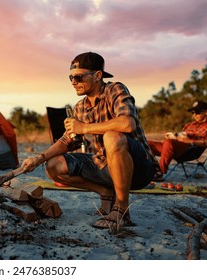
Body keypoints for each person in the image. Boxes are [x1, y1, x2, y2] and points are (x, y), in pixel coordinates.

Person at [21, 52, 158, 229]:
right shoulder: (80, 107)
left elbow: (127, 123)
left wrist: (84, 128)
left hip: (139, 168)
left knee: (113, 135)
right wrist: (39, 158)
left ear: (98, 76)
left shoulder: (115, 89)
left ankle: (121, 209)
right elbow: (66, 141)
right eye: (70, 78)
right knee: (53, 165)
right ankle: (105, 192)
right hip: (104, 165)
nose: (73, 82)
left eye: (78, 77)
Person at [148, 100, 207, 181]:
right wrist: (172, 136)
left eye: (197, 112)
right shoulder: (190, 124)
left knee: (169, 143)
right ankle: (149, 170)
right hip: (173, 146)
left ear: (206, 112)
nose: (194, 115)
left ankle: (160, 172)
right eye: (193, 113)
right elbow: (180, 135)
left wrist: (189, 141)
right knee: (147, 144)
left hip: (189, 150)